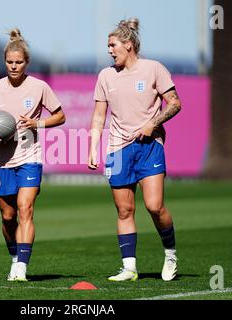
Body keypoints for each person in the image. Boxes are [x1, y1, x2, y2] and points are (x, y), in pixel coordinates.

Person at [88, 18, 182, 282]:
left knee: (154, 206)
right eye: (108, 46)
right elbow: (98, 117)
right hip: (118, 150)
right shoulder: (105, 75)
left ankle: (171, 254)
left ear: (128, 45)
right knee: (124, 211)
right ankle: (129, 268)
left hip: (149, 147)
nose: (109, 50)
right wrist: (93, 148)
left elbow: (175, 103)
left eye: (112, 45)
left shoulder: (153, 69)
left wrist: (153, 124)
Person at [0, 28, 66, 282]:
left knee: (25, 208)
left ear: (26, 62)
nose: (14, 66)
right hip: (2, 160)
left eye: (19, 62)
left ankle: (21, 267)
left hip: (30, 156)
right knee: (8, 218)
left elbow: (60, 116)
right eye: (10, 62)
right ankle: (14, 257)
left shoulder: (39, 86)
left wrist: (36, 124)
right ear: (5, 62)